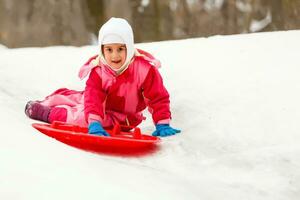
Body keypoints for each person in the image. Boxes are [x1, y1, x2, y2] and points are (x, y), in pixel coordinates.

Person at [25, 17, 180, 137]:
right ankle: (48, 104)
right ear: (102, 50)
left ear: (130, 47)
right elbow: (94, 97)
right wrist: (95, 122)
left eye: (120, 49)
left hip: (124, 118)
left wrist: (162, 123)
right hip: (97, 103)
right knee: (84, 101)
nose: (115, 55)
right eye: (109, 49)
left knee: (80, 118)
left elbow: (157, 97)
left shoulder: (144, 70)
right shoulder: (99, 70)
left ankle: (51, 113)